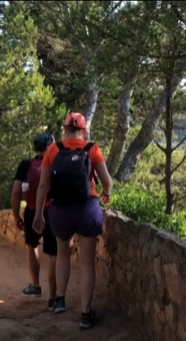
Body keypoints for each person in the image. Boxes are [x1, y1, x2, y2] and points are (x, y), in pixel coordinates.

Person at [33, 113, 113, 329]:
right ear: (83, 130)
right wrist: (106, 193)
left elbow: (43, 186)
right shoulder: (92, 149)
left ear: (65, 129)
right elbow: (107, 181)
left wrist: (39, 214)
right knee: (87, 262)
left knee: (62, 254)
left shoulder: (53, 149)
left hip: (60, 210)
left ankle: (59, 300)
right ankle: (86, 314)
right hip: (87, 207)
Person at [12, 133, 58, 310]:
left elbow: (16, 192)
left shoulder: (25, 165)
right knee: (53, 254)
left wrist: (16, 215)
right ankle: (53, 297)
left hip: (32, 212)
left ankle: (36, 286)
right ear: (50, 147)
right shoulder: (57, 163)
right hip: (54, 211)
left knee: (32, 246)